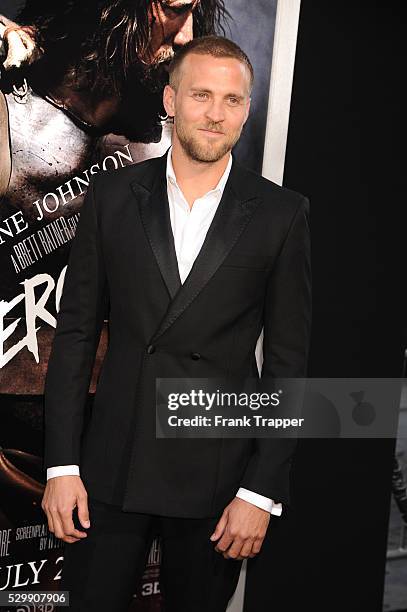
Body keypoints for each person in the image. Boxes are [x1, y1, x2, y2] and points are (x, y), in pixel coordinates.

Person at [41, 35, 312, 611]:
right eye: (202, 95)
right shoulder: (112, 196)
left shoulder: (282, 214)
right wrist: (62, 466)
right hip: (109, 474)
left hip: (217, 481)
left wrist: (260, 491)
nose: (217, 114)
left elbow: (289, 365)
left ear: (247, 109)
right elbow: (75, 337)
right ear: (170, 99)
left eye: (233, 100)